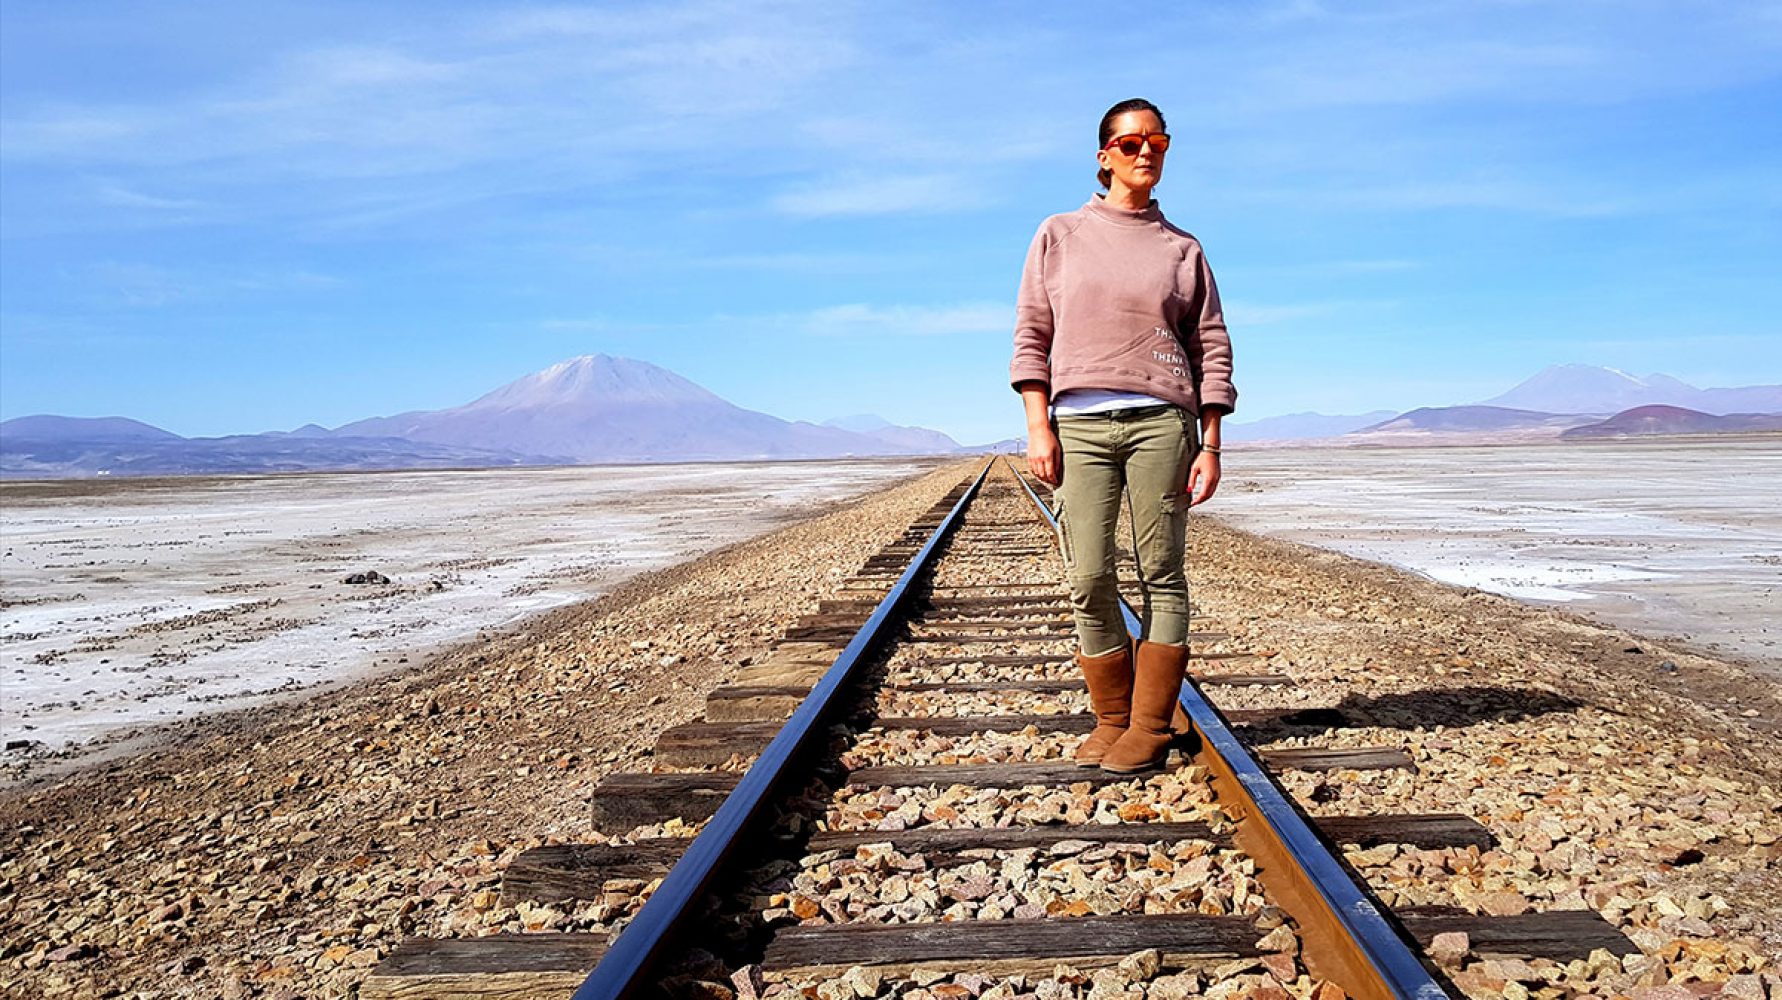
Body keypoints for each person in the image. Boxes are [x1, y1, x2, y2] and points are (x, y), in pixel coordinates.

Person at [1009, 97, 1236, 774]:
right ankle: (1112, 717)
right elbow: (1031, 333)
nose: (1146, 153)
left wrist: (1213, 441)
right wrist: (1038, 425)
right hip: (1077, 425)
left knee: (1161, 573)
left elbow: (1212, 346)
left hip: (1163, 424)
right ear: (1104, 156)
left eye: (1157, 142)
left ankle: (1149, 724)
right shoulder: (1059, 235)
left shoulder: (1183, 250)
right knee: (1087, 576)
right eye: (1132, 143)